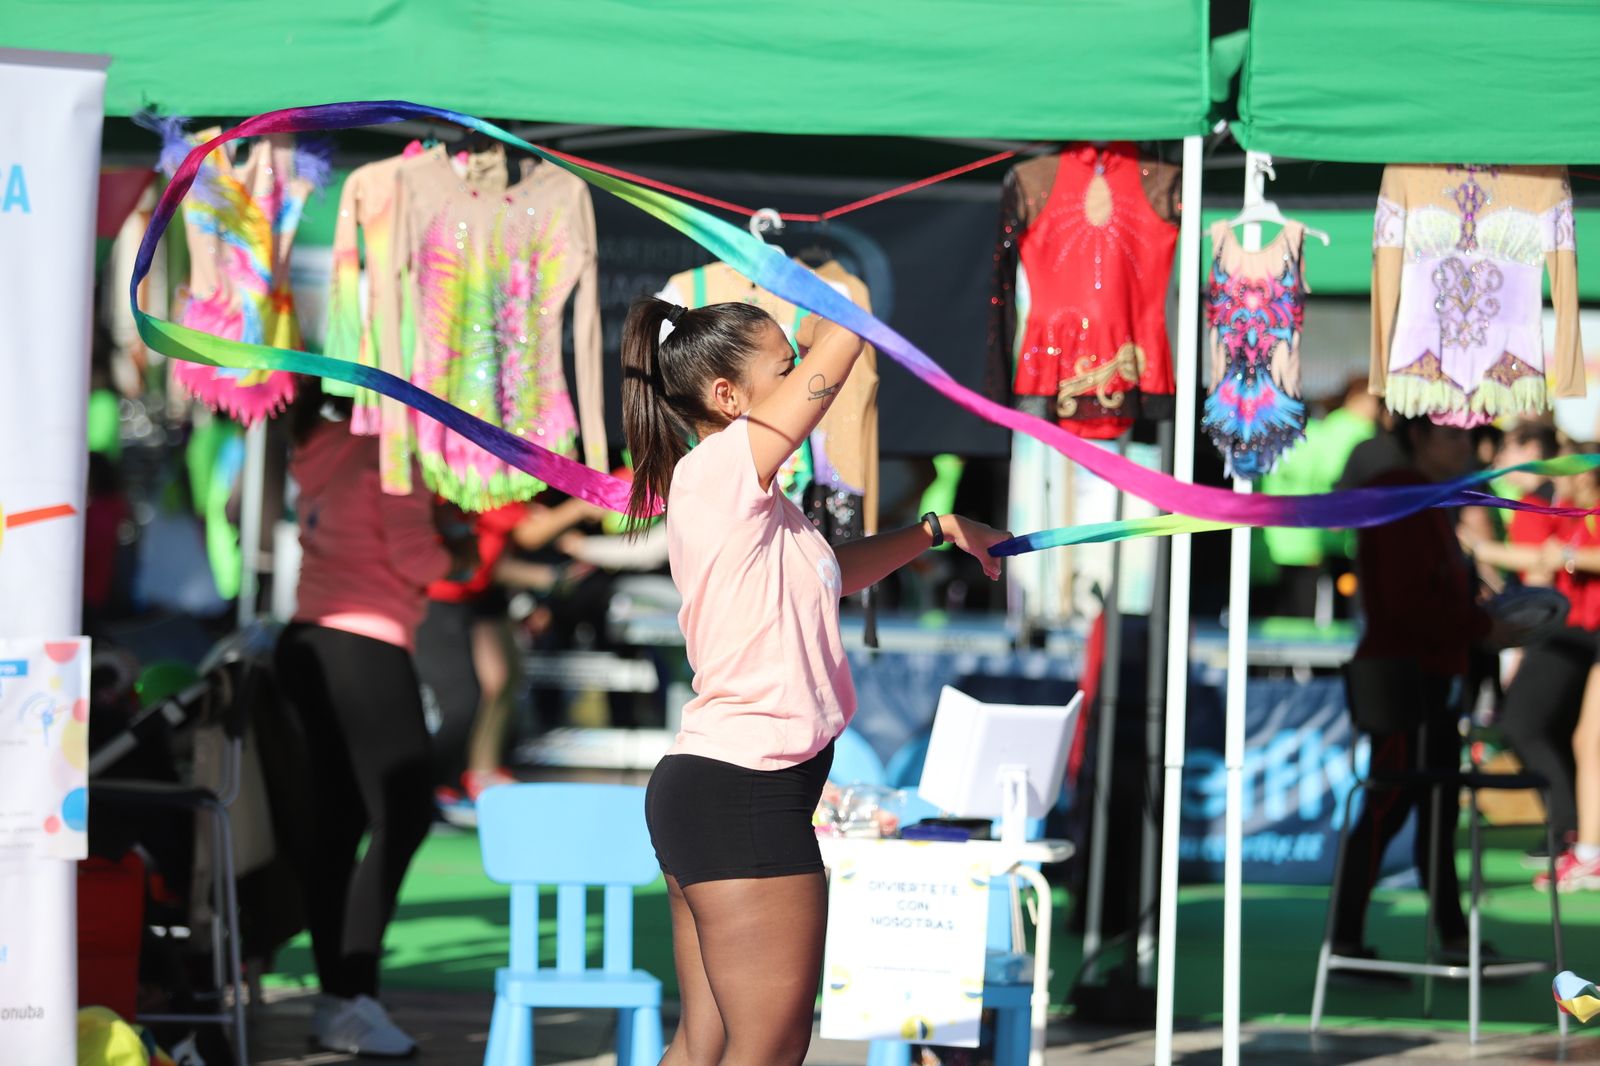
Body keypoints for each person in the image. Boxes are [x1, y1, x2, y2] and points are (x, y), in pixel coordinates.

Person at [620, 297, 1008, 1065]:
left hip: (726, 788)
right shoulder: (720, 470)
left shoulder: (759, 506)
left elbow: (835, 572)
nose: (801, 376)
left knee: (708, 1047)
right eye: (784, 367)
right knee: (763, 1051)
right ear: (728, 398)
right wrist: (840, 307)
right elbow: (849, 343)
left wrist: (935, 530)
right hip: (742, 789)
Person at [274, 381, 475, 1057]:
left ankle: (342, 998)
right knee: (403, 812)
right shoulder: (394, 456)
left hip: (309, 639)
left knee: (342, 822)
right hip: (363, 642)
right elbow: (416, 556)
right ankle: (352, 994)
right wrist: (461, 549)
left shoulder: (320, 440)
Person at [1331, 417, 1505, 968]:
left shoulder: (1421, 498)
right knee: (1389, 803)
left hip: (1422, 674)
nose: (1465, 446)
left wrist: (1477, 621)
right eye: (1452, 435)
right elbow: (1408, 605)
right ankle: (1348, 942)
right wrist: (1483, 628)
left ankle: (1449, 936)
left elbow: (1425, 596)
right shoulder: (1401, 497)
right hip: (1403, 677)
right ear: (1418, 439)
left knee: (1430, 808)